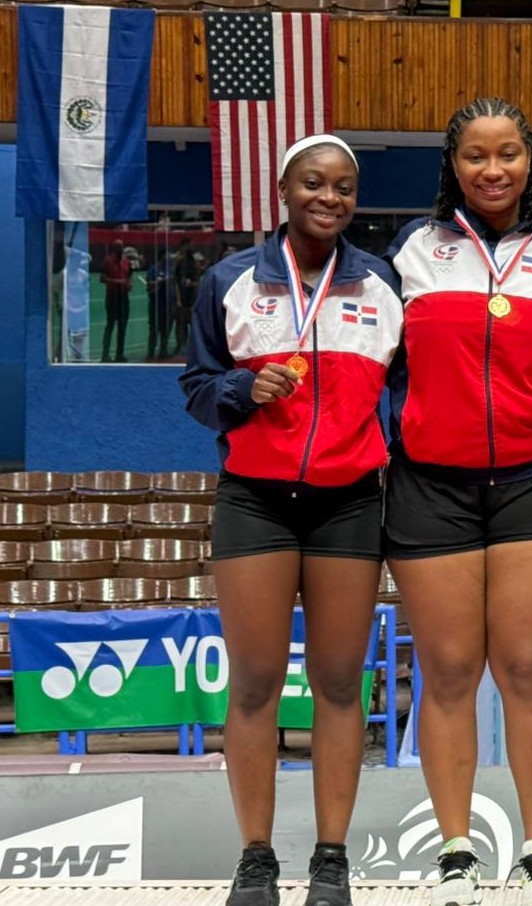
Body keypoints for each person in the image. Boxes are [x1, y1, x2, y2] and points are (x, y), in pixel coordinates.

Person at [180, 134, 403, 906]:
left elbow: (403, 391)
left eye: (344, 187)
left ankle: (333, 860)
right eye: (315, 183)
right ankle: (256, 859)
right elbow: (198, 385)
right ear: (284, 189)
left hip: (348, 501)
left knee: (341, 683)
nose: (330, 198)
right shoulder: (230, 281)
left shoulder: (379, 284)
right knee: (256, 685)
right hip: (255, 500)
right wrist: (244, 394)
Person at [383, 97, 532, 906]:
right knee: (450, 669)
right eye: (475, 154)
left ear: (530, 161)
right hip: (431, 485)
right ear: (453, 164)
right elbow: (381, 367)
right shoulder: (413, 255)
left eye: (507, 154)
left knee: (528, 667)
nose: (492, 169)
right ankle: (457, 851)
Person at [100, 238, 132, 362]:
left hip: (124, 297)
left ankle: (120, 354)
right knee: (110, 325)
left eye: (122, 247)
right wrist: (118, 282)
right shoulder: (108, 262)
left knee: (122, 327)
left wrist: (129, 284)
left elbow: (130, 276)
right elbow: (102, 278)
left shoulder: (126, 262)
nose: (121, 249)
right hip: (112, 297)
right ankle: (105, 355)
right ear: (114, 248)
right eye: (118, 247)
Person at [147, 250, 173, 361]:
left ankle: (163, 351)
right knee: (154, 330)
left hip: (167, 304)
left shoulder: (170, 269)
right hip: (156, 304)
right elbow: (149, 285)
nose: (169, 257)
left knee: (165, 330)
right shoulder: (154, 269)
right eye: (167, 255)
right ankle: (151, 353)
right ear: (162, 256)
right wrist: (160, 282)